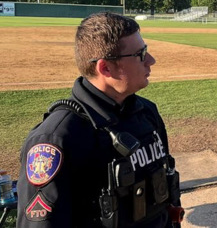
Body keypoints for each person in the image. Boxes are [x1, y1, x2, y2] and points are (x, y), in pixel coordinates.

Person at [17, 12, 183, 227]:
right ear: (105, 68)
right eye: (140, 54)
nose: (151, 61)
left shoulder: (147, 112)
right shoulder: (57, 138)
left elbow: (165, 188)